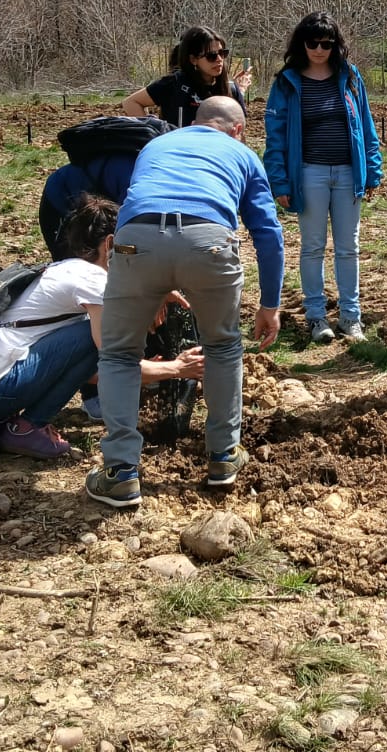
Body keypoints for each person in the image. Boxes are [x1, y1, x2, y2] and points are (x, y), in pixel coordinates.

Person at [86, 96, 284, 507]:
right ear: (237, 129)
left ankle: (120, 471)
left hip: (136, 241)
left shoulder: (156, 145)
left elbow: (144, 203)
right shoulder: (242, 154)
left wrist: (153, 283)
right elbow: (268, 233)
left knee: (120, 354)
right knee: (223, 346)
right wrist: (270, 304)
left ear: (194, 123)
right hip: (209, 243)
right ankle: (224, 457)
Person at [0, 197, 203, 461]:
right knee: (91, 339)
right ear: (111, 244)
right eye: (132, 248)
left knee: (89, 341)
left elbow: (84, 371)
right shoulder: (93, 282)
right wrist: (176, 369)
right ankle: (30, 425)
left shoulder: (63, 270)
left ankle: (13, 426)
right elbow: (112, 361)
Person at [263, 13, 383, 343]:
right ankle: (316, 317)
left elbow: (366, 127)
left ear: (335, 45)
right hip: (309, 174)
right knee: (313, 247)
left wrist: (373, 168)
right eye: (312, 42)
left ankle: (350, 317)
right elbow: (275, 135)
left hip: (348, 173)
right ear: (301, 44)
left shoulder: (350, 76)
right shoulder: (287, 82)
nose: (319, 49)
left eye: (326, 43)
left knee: (349, 248)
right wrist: (280, 181)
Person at [39, 116, 173, 259]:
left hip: (97, 201)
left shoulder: (155, 171)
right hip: (59, 200)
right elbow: (129, 242)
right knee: (72, 264)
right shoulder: (137, 178)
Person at [121, 26, 250, 127]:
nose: (219, 59)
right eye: (211, 56)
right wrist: (154, 134)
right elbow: (131, 102)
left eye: (223, 53)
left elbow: (240, 133)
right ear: (193, 59)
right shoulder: (174, 83)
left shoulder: (230, 89)